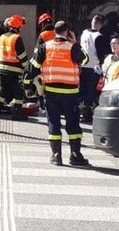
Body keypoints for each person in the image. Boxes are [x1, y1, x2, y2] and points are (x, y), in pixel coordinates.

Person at [31, 21, 90, 166]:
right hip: (70, 94)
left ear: (54, 32)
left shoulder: (45, 47)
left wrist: (28, 85)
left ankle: (56, 156)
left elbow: (33, 67)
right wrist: (76, 42)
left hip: (51, 93)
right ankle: (75, 156)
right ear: (67, 32)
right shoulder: (72, 47)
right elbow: (85, 60)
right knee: (73, 124)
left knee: (53, 123)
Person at [0, 15, 28, 120]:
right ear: (18, 26)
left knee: (3, 90)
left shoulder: (2, 37)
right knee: (18, 92)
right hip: (15, 70)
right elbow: (22, 56)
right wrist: (27, 68)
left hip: (2, 69)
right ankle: (17, 114)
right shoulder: (17, 38)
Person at [78, 15, 104, 123]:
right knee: (91, 91)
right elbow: (100, 53)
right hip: (95, 67)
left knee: (82, 90)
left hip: (83, 66)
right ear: (101, 24)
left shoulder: (84, 33)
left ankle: (80, 111)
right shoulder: (99, 36)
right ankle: (87, 113)